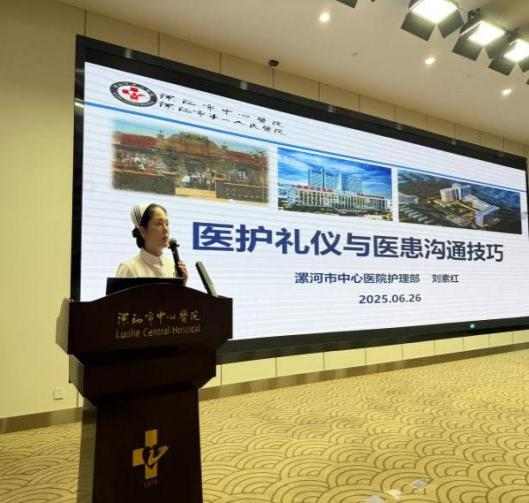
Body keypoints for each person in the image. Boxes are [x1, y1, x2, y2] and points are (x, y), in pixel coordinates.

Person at [116, 202, 188, 283]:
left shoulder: (172, 267)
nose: (166, 229)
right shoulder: (128, 268)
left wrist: (182, 284)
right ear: (143, 231)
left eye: (167, 224)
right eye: (159, 224)